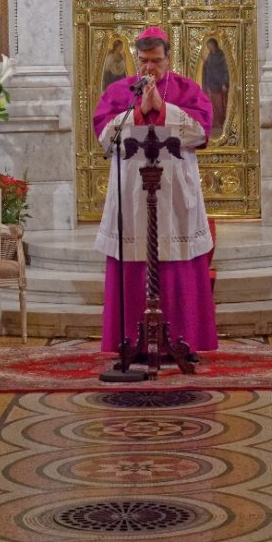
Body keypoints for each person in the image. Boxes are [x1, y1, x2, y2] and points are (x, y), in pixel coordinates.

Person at [93, 25, 217, 357]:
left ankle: (182, 338)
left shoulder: (187, 89)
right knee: (134, 259)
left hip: (174, 192)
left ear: (168, 58)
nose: (149, 68)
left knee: (176, 260)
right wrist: (138, 111)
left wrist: (162, 109)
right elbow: (105, 136)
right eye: (144, 60)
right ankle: (131, 341)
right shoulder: (120, 90)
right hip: (132, 191)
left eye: (156, 61)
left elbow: (201, 132)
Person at [201, 37, 229, 132]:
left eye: (210, 46)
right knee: (211, 104)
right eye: (208, 47)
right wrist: (205, 64)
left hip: (219, 84)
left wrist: (224, 83)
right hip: (210, 83)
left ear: (214, 45)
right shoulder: (210, 55)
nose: (209, 48)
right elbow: (209, 67)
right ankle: (214, 123)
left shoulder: (221, 55)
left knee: (219, 105)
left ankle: (221, 122)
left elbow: (225, 70)